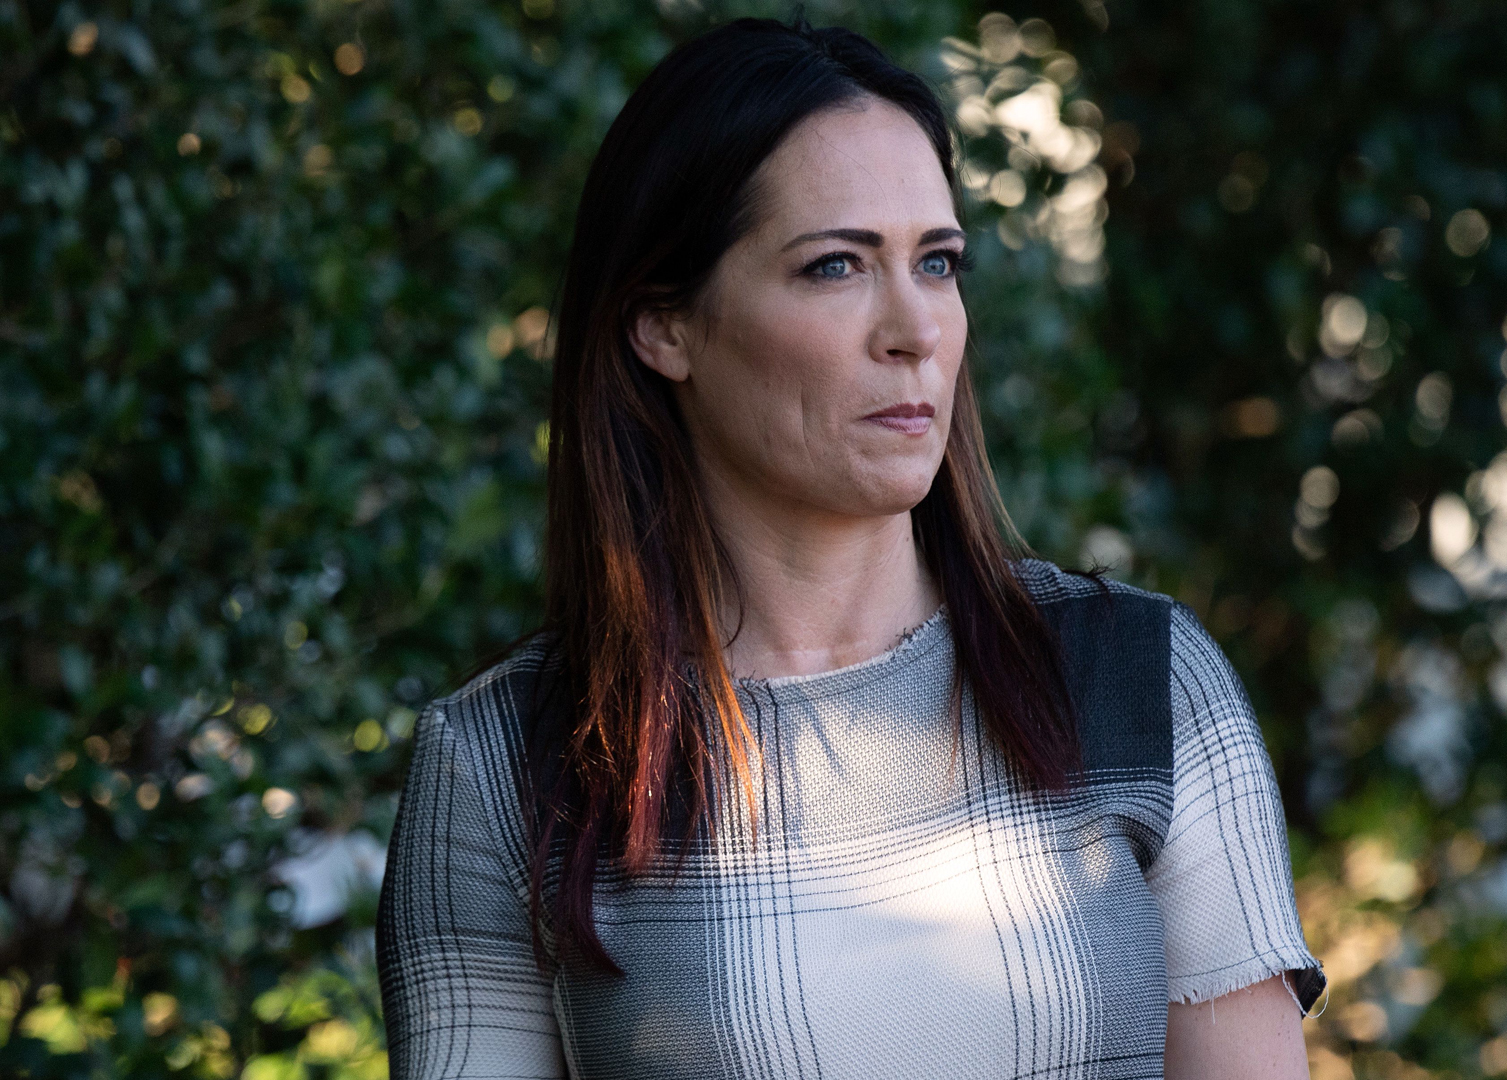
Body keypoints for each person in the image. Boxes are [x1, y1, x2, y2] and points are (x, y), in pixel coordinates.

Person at [375, 14, 1324, 1079]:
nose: (914, 328)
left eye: (938, 261)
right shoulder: (507, 766)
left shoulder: (1144, 684)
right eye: (835, 266)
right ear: (664, 325)